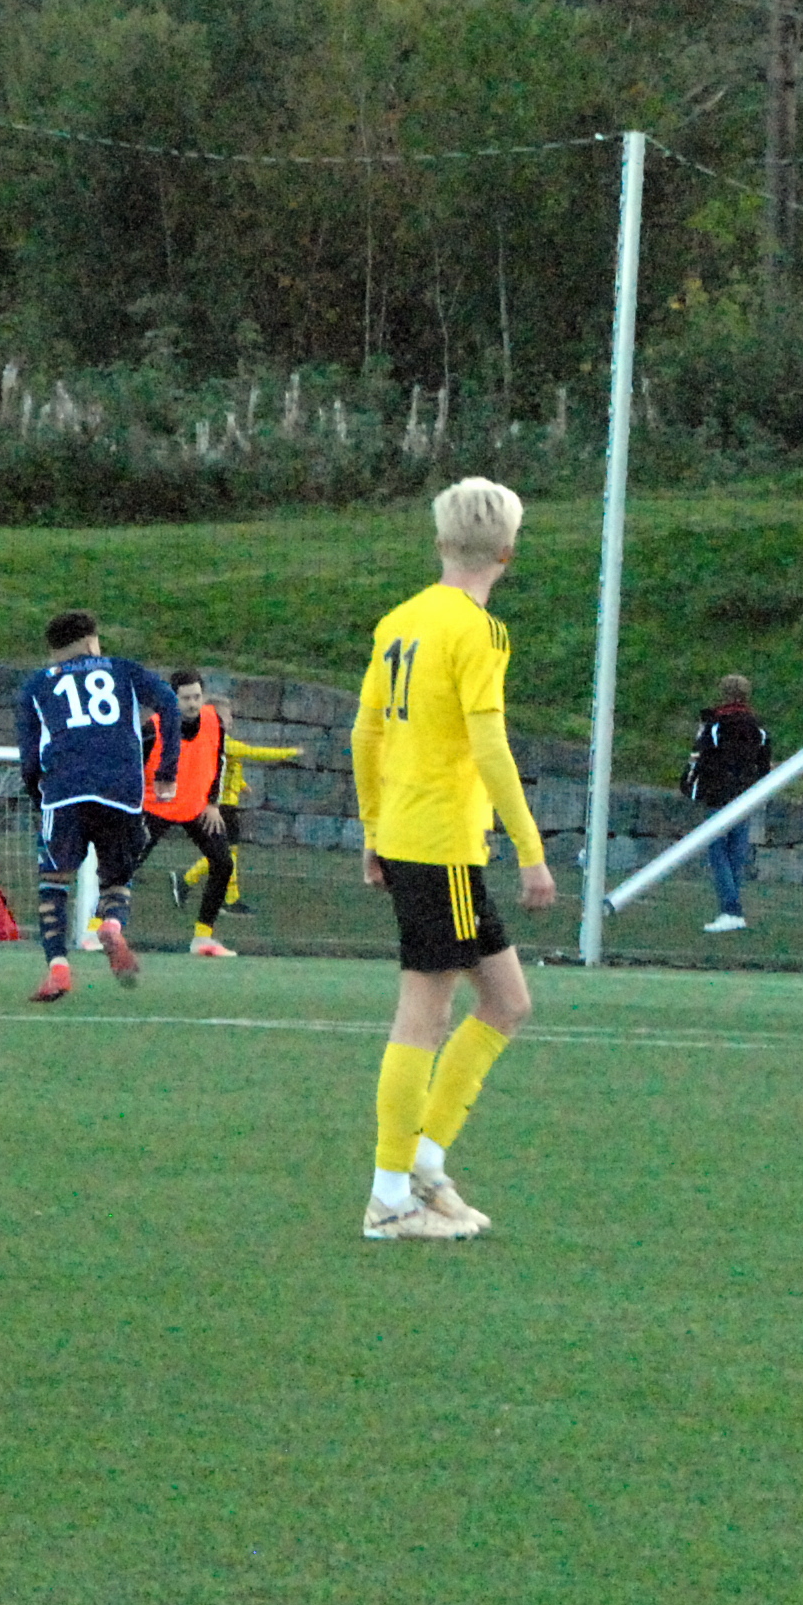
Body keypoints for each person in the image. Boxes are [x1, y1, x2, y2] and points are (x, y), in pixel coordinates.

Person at [356, 478, 559, 1241]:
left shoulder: (399, 621)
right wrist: (532, 851)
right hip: (439, 845)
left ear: (441, 543)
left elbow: (366, 733)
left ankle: (424, 1164)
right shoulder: (479, 632)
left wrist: (373, 825)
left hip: (417, 838)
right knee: (425, 1016)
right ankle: (389, 1199)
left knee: (507, 1003)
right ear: (508, 554)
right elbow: (490, 745)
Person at [18, 609, 181, 1001]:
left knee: (53, 882)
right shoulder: (123, 670)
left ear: (53, 650)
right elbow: (170, 704)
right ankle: (111, 925)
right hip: (120, 790)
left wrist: (39, 797)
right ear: (92, 642)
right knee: (117, 879)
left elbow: (29, 758)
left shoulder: (36, 685)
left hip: (65, 791)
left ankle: (59, 968)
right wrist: (166, 771)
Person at [148, 668, 302, 959]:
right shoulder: (154, 727)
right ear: (172, 699)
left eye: (197, 697)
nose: (192, 703)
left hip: (198, 806)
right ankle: (97, 928)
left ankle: (203, 936)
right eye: (185, 698)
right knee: (126, 863)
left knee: (223, 861)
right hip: (158, 804)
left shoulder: (212, 724)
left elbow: (217, 763)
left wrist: (211, 803)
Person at [683, 674, 774, 933]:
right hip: (745, 795)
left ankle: (731, 909)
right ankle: (732, 907)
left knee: (718, 852)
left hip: (719, 794)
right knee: (736, 852)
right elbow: (764, 764)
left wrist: (690, 783)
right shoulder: (757, 727)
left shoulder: (716, 725)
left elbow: (701, 758)